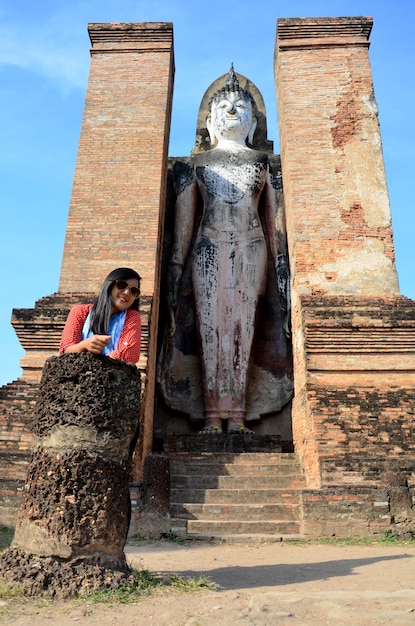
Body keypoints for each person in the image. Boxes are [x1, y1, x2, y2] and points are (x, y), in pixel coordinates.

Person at [166, 67, 290, 434]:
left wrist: (282, 265)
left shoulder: (263, 164)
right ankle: (209, 416)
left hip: (253, 247)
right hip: (207, 248)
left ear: (253, 121)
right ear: (210, 119)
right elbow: (184, 224)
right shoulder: (196, 166)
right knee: (210, 329)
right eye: (225, 106)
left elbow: (275, 223)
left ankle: (236, 416)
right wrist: (175, 265)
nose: (233, 111)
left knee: (243, 326)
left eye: (241, 106)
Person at [59, 267, 142, 364]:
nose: (127, 292)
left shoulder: (132, 317)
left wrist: (98, 365)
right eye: (122, 284)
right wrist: (84, 346)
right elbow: (66, 351)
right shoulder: (80, 312)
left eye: (134, 291)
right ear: (110, 285)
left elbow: (130, 354)